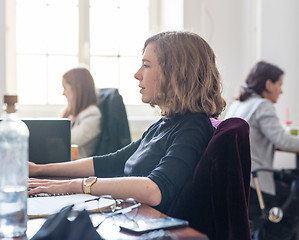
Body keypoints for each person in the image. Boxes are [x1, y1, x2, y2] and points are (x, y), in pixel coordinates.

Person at [29, 31, 226, 213]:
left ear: (176, 74)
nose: (137, 74)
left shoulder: (193, 127)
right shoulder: (165, 123)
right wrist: (40, 169)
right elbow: (112, 161)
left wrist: (77, 185)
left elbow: (154, 190)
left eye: (146, 65)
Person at [225, 61, 299, 240]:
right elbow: (283, 140)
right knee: (294, 201)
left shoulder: (238, 105)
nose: (281, 91)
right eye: (279, 85)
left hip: (236, 179)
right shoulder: (262, 105)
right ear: (268, 84)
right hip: (255, 183)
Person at [61, 67, 101, 159]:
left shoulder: (93, 114)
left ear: (77, 89)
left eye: (65, 87)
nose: (63, 93)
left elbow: (69, 139)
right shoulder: (72, 113)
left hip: (78, 165)